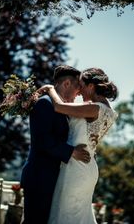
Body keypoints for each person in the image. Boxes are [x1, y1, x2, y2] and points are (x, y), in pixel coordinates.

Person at [40, 68, 118, 224]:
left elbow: (59, 107)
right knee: (77, 216)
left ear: (91, 86)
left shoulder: (94, 108)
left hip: (76, 168)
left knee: (66, 215)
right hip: (87, 166)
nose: (79, 91)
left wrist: (50, 89)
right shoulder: (109, 111)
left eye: (81, 86)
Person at [20, 65, 91, 224]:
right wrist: (72, 152)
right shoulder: (45, 103)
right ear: (66, 84)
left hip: (49, 177)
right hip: (39, 177)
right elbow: (43, 140)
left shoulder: (59, 107)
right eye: (77, 87)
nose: (79, 93)